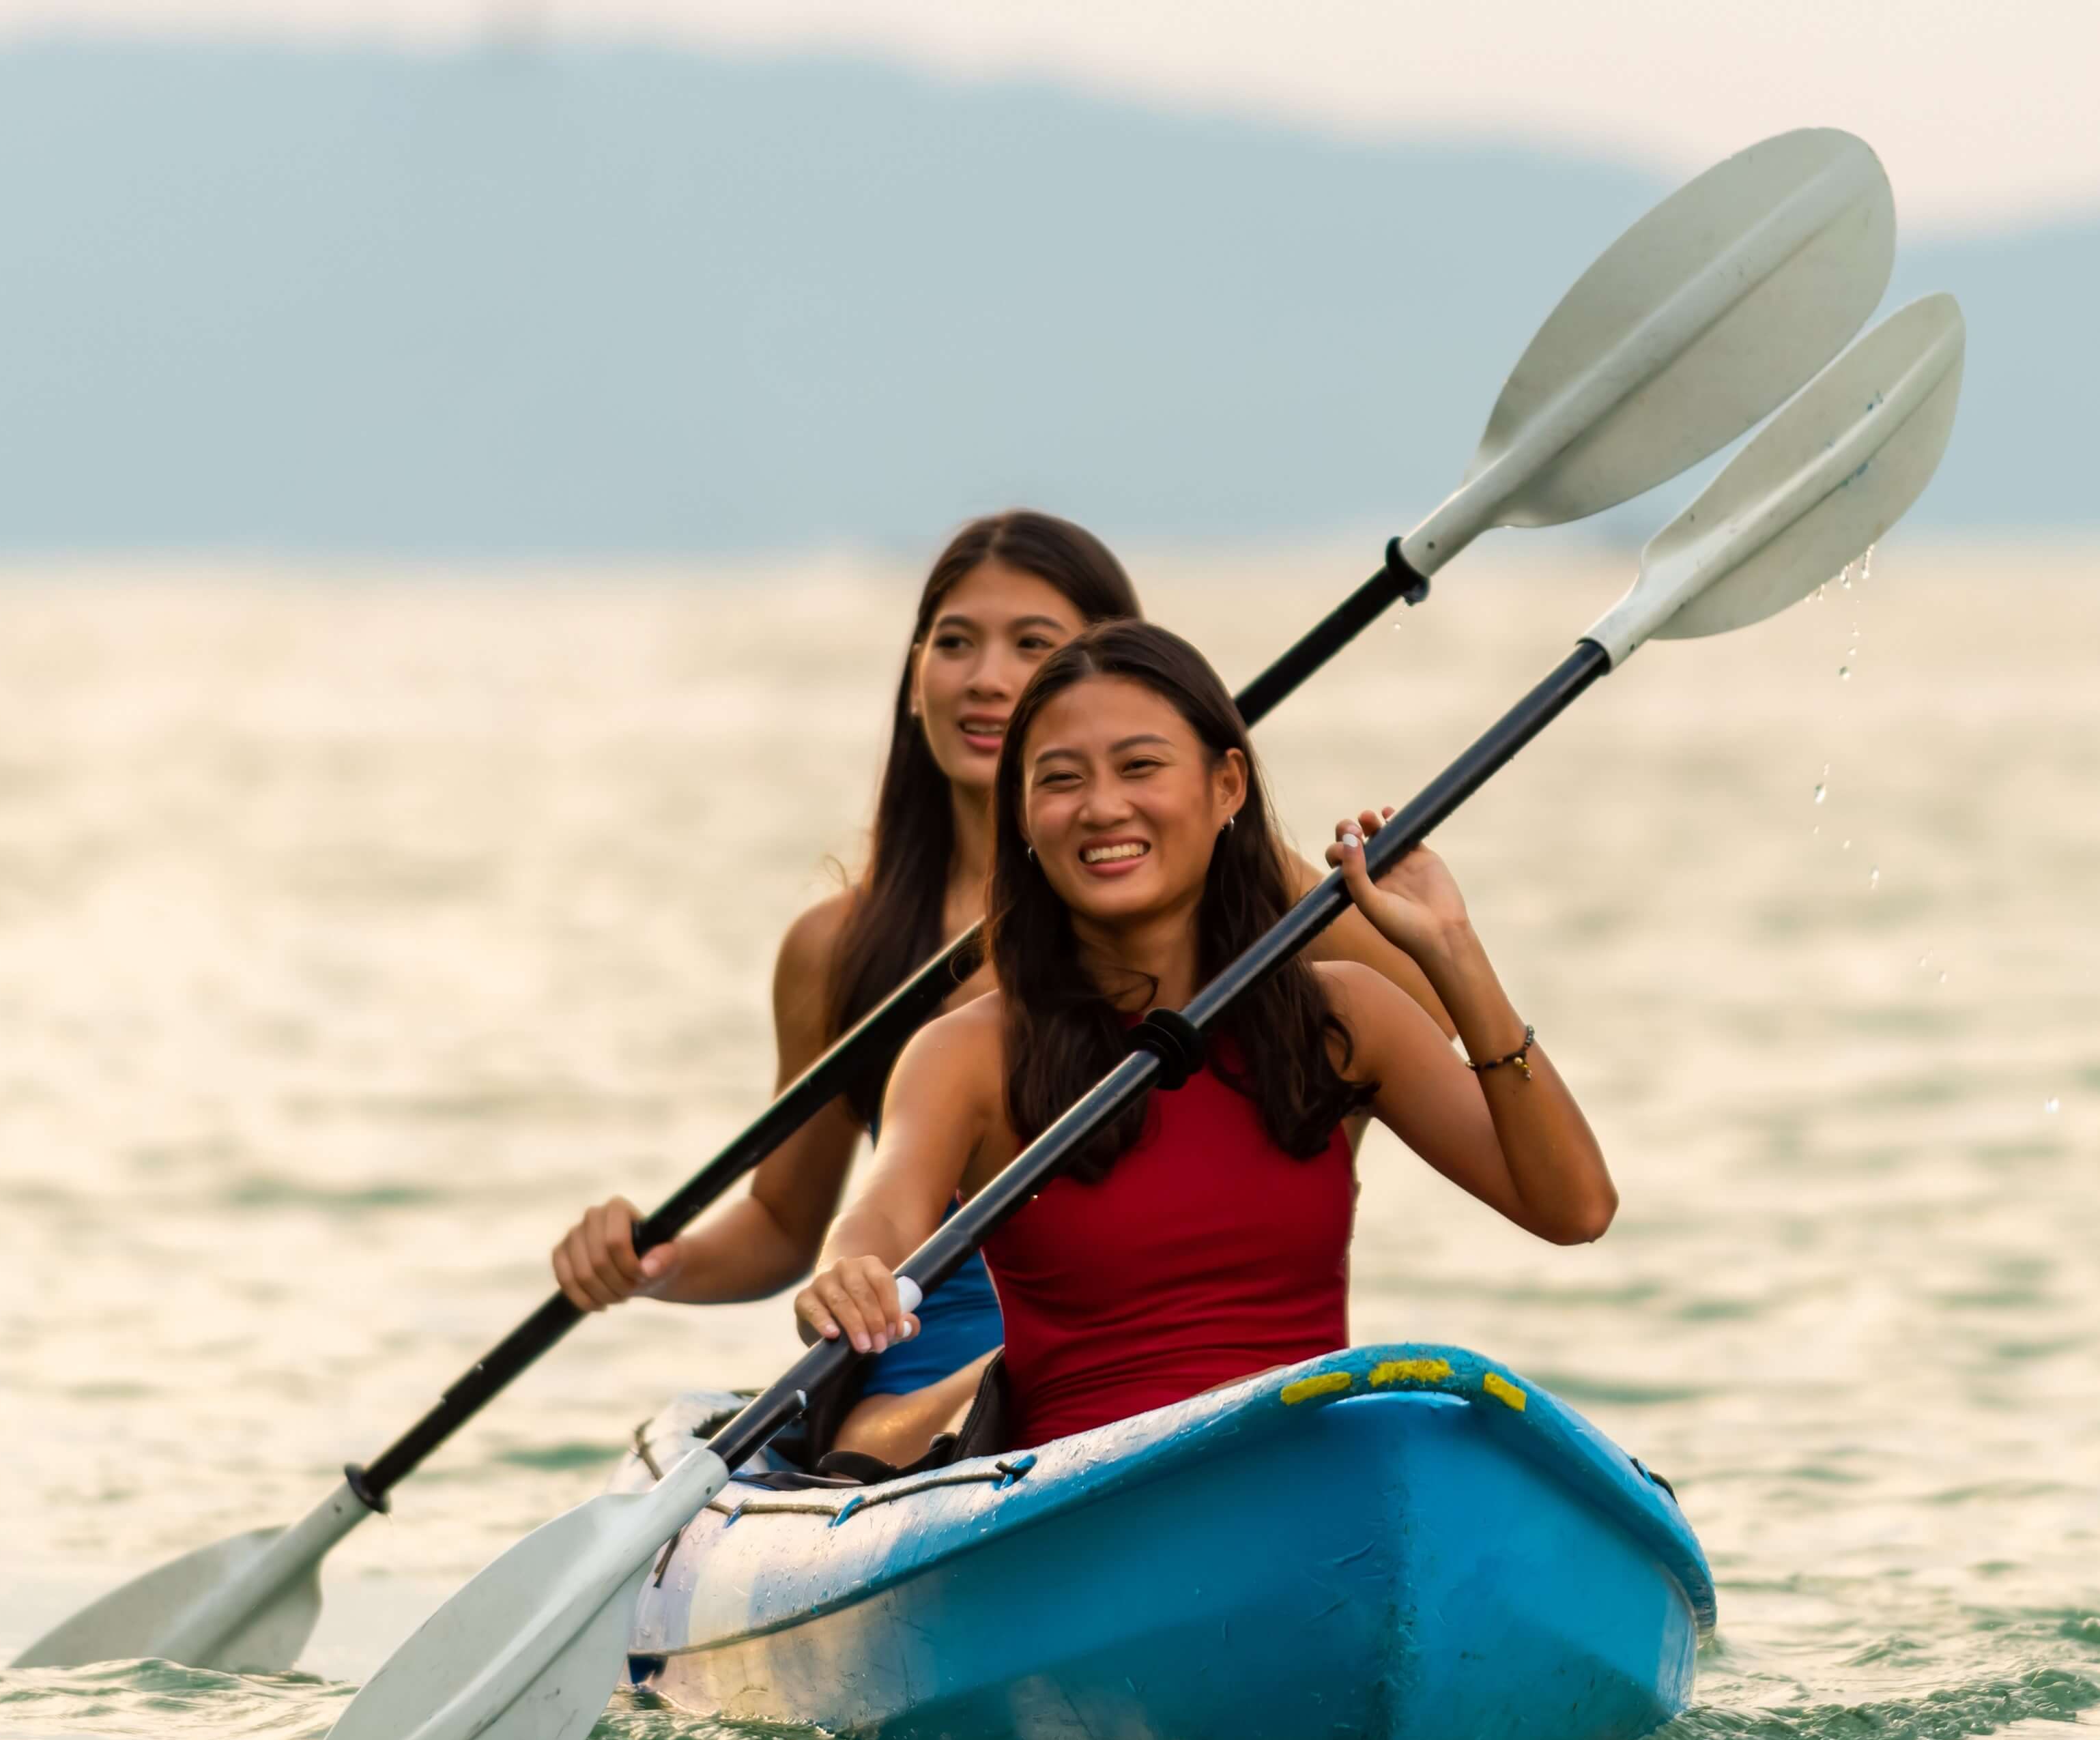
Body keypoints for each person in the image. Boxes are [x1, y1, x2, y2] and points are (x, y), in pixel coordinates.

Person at [549, 514, 1444, 1458]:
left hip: (1185, 1370)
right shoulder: (839, 945)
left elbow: (1432, 1063)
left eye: (1032, 645)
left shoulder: (1275, 904)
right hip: (930, 1399)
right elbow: (786, 1223)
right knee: (1015, 1379)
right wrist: (658, 1263)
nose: (984, 677)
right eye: (954, 643)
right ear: (912, 678)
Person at [790, 619, 1614, 1467]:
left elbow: (1574, 1209)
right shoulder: (970, 1049)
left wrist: (1451, 950)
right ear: (1025, 818)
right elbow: (885, 1207)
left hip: (1294, 1471)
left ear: (1227, 785)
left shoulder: (1346, 1018)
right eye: (1060, 780)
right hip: (1068, 1502)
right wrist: (849, 1263)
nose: (1103, 806)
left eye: (1140, 767)